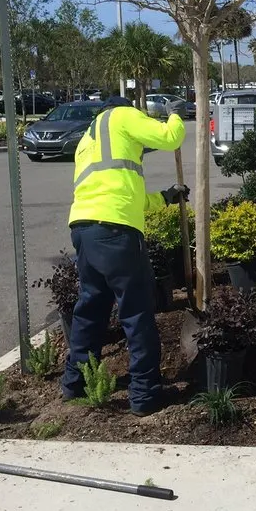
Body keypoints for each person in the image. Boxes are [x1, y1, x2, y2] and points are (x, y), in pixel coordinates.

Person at [63, 95, 188, 416]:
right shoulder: (122, 116)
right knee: (136, 312)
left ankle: (74, 385)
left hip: (84, 229)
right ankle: (145, 396)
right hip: (117, 233)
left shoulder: (88, 140)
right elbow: (170, 137)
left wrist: (165, 197)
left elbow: (124, 194)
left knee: (90, 308)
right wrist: (175, 114)